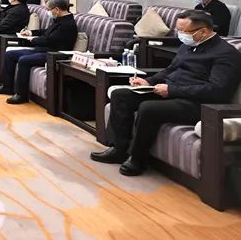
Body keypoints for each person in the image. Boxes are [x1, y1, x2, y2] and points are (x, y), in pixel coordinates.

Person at [91, 10, 241, 176]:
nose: (180, 35)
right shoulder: (188, 45)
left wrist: (171, 90)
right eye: (178, 30)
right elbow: (170, 69)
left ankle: (138, 159)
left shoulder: (226, 54)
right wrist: (149, 82)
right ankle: (119, 149)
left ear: (204, 31)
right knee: (121, 95)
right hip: (171, 91)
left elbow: (217, 90)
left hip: (198, 103)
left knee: (149, 108)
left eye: (184, 31)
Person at [0, 0, 77, 104]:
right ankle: (7, 86)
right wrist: (31, 33)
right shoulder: (60, 20)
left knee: (24, 60)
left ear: (57, 9)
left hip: (53, 54)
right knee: (10, 54)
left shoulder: (68, 24)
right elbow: (46, 32)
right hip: (43, 49)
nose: (47, 12)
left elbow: (50, 40)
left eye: (48, 9)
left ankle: (21, 95)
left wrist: (32, 40)